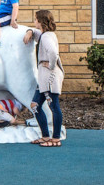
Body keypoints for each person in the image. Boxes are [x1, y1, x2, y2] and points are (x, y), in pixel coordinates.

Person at [24, 9, 63, 147]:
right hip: (44, 77)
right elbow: (36, 34)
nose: (34, 21)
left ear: (41, 21)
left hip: (49, 76)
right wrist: (30, 31)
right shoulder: (45, 34)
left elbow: (53, 52)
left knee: (54, 106)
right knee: (35, 105)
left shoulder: (47, 37)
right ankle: (45, 136)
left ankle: (56, 138)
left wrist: (51, 65)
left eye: (35, 19)